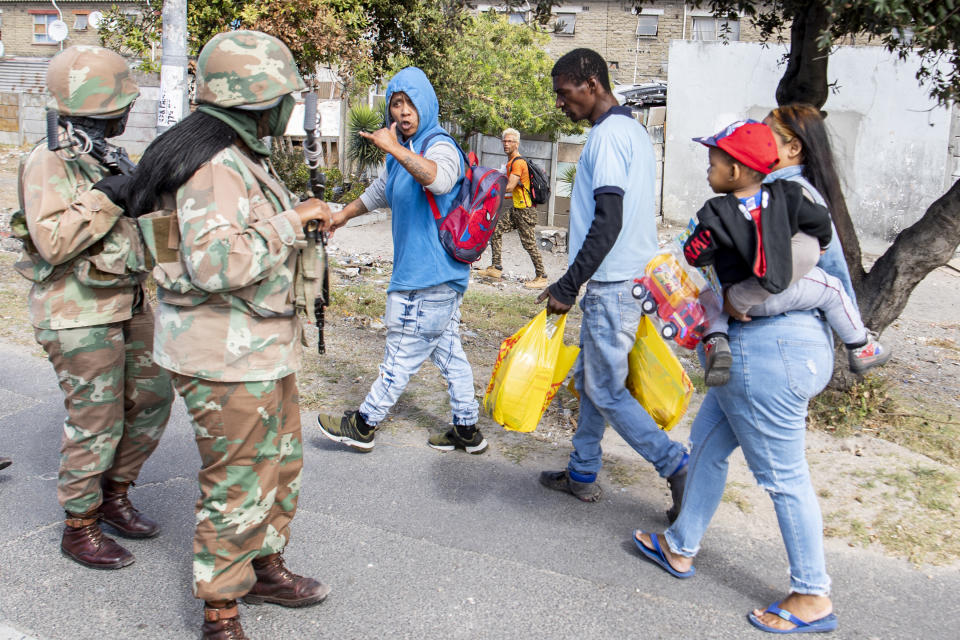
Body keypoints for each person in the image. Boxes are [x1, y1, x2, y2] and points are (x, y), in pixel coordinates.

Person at [128, 31, 331, 639]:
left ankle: (264, 567)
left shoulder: (240, 155)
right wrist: (291, 222)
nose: (290, 106)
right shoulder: (215, 167)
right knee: (238, 482)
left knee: (280, 467)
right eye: (286, 95)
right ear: (258, 96)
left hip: (258, 347)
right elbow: (219, 265)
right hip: (224, 355)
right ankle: (221, 613)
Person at [14, 46, 173, 570]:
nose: (129, 111)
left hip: (126, 299)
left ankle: (114, 494)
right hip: (78, 312)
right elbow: (54, 242)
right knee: (96, 419)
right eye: (122, 103)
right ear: (102, 107)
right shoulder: (48, 161)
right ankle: (79, 525)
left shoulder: (106, 155)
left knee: (152, 396)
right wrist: (106, 196)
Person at [536, 48, 689, 522]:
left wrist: (568, 284)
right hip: (633, 282)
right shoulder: (633, 132)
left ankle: (677, 466)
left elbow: (608, 220)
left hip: (611, 284)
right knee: (593, 381)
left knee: (605, 390)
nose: (561, 103)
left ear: (592, 84)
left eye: (565, 93)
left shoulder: (605, 138)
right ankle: (582, 473)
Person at [317, 67, 486, 456]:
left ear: (425, 104)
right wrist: (342, 215)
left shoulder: (438, 144)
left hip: (428, 274)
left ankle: (363, 425)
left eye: (410, 103)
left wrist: (394, 148)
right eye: (396, 103)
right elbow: (382, 189)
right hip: (435, 275)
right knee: (449, 352)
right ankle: (467, 430)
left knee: (401, 351)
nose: (404, 111)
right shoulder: (403, 150)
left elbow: (440, 180)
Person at [682, 120, 888, 386]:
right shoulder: (789, 195)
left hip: (734, 303)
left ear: (733, 171)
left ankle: (716, 343)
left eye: (712, 166)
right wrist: (823, 242)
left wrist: (701, 249)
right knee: (833, 289)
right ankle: (861, 345)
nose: (708, 172)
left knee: (708, 297)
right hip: (784, 293)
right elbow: (820, 219)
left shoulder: (716, 213)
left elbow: (695, 253)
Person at [761, 104, 890, 373]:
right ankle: (861, 343)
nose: (755, 141)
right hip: (771, 299)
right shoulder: (774, 190)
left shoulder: (793, 193)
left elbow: (833, 267)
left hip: (778, 304)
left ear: (793, 148)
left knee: (830, 287)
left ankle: (861, 344)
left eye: (764, 135)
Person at [475, 128, 548, 288]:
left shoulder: (518, 163)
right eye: (504, 141)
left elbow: (509, 187)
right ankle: (496, 268)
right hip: (517, 209)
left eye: (510, 141)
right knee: (495, 231)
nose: (506, 144)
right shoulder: (511, 162)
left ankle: (542, 276)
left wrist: (488, 190)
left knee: (529, 244)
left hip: (525, 211)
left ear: (517, 143)